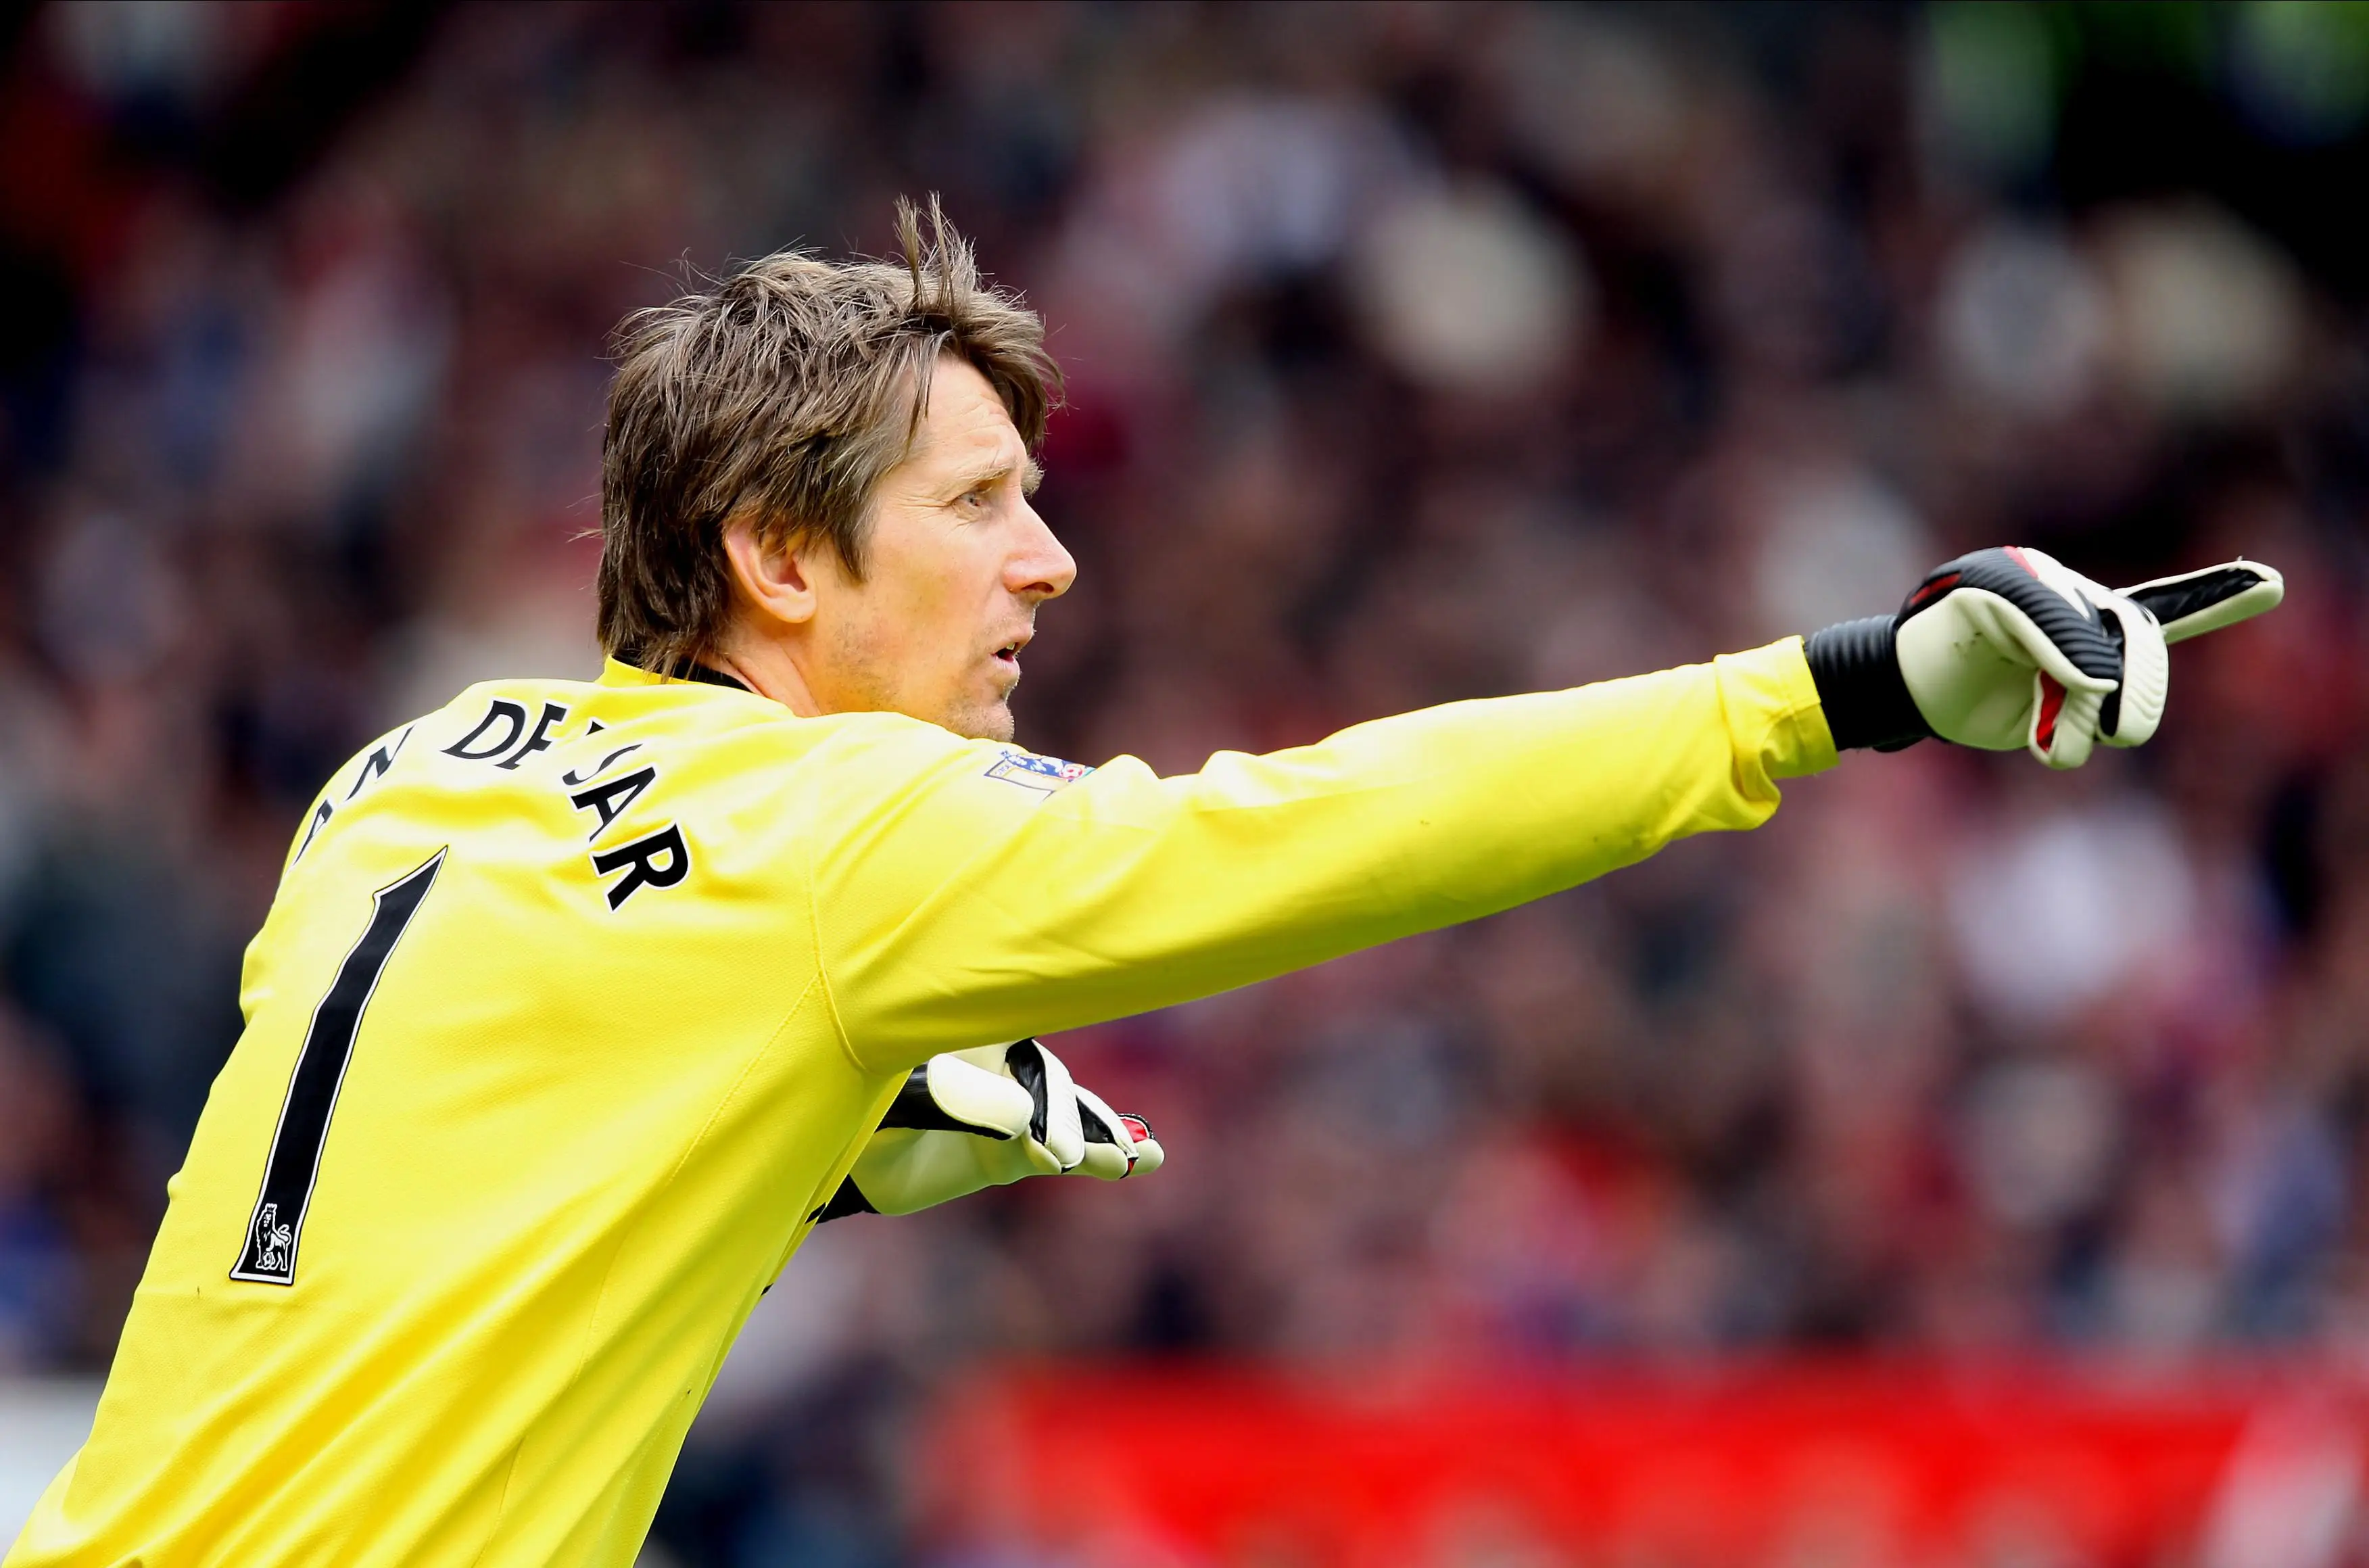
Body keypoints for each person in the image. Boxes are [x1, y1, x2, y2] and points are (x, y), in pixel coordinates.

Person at [5, 201, 2281, 1568]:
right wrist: (1839, 690)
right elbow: (1299, 832)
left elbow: (416, 1139)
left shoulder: (405, 776)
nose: (1051, 555)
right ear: (782, 560)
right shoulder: (845, 839)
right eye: (980, 503)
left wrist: (823, 1143)